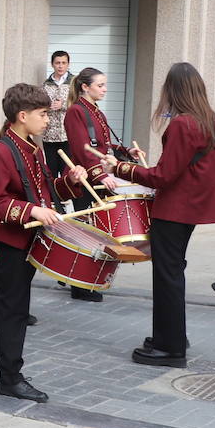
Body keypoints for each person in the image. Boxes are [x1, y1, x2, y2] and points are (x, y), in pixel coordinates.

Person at [0, 84, 85, 403]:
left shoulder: (32, 147)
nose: (48, 120)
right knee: (15, 310)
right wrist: (30, 210)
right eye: (43, 114)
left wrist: (70, 183)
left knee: (6, 301)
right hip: (11, 242)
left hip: (31, 239)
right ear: (22, 116)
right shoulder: (2, 151)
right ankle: (9, 377)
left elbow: (45, 193)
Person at [117, 63, 215, 367]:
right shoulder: (210, 119)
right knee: (173, 272)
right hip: (193, 208)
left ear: (174, 90)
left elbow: (163, 176)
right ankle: (171, 337)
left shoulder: (182, 124)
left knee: (167, 276)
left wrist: (121, 168)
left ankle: (170, 348)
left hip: (173, 209)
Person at [62, 67, 143, 302]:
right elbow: (81, 149)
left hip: (95, 177)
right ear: (85, 87)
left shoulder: (96, 111)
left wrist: (127, 151)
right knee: (86, 231)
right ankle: (79, 285)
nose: (105, 90)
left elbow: (102, 145)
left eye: (105, 85)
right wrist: (100, 175)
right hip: (83, 178)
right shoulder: (76, 111)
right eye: (101, 85)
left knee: (98, 231)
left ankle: (87, 281)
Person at [40, 50, 72, 178]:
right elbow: (39, 106)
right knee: (51, 171)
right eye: (57, 63)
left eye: (64, 63)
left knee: (66, 171)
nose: (60, 66)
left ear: (68, 64)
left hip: (68, 134)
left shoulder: (75, 83)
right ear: (52, 64)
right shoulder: (45, 85)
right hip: (49, 135)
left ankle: (67, 195)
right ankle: (53, 198)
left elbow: (80, 104)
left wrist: (63, 105)